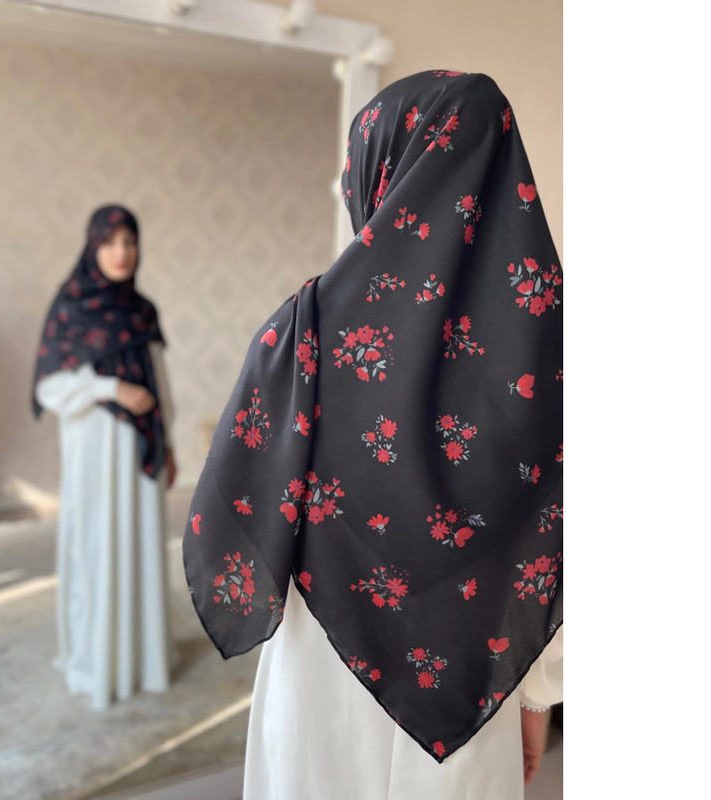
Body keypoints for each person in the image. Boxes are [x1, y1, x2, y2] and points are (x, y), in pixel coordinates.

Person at [183, 71, 563, 798]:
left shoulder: (304, 330)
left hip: (320, 678)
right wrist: (536, 694)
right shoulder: (549, 348)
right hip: (475, 686)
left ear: (385, 174)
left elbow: (235, 513)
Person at [32, 205, 178, 711]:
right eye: (111, 242)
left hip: (141, 446)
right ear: (93, 246)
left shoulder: (142, 310)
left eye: (130, 242)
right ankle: (96, 665)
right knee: (96, 546)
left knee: (139, 546)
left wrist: (168, 442)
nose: (122, 252)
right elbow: (50, 386)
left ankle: (141, 662)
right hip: (95, 448)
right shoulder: (70, 306)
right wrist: (111, 388)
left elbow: (158, 380)